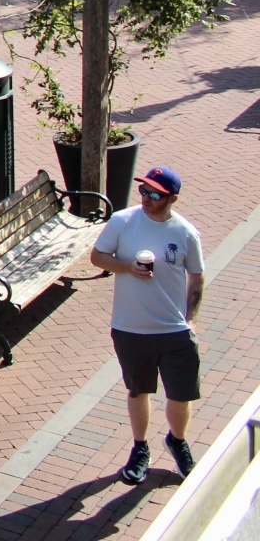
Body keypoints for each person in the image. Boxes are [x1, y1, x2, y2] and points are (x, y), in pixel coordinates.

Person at [90, 167, 205, 483]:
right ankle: (140, 448)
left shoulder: (185, 233)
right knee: (138, 389)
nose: (147, 199)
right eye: (144, 191)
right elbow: (98, 256)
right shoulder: (123, 221)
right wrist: (126, 267)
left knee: (180, 394)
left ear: (172, 199)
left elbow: (196, 274)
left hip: (174, 330)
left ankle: (177, 441)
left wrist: (191, 318)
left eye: (155, 195)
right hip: (130, 328)